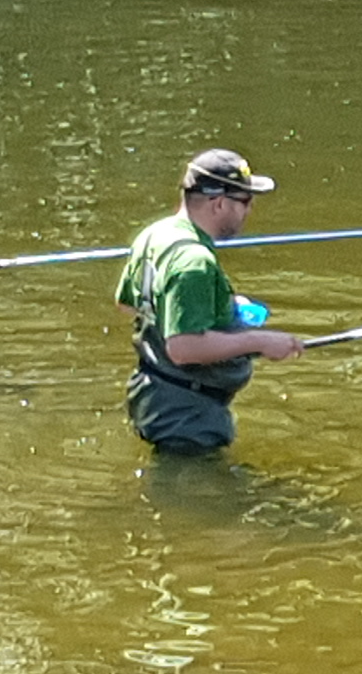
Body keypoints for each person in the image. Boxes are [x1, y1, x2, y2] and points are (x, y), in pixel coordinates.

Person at [115, 149, 305, 452]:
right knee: (196, 480)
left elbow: (128, 304)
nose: (250, 210)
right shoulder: (195, 262)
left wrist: (217, 306)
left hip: (153, 394)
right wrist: (259, 341)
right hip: (187, 415)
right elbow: (183, 348)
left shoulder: (155, 235)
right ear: (218, 203)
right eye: (245, 201)